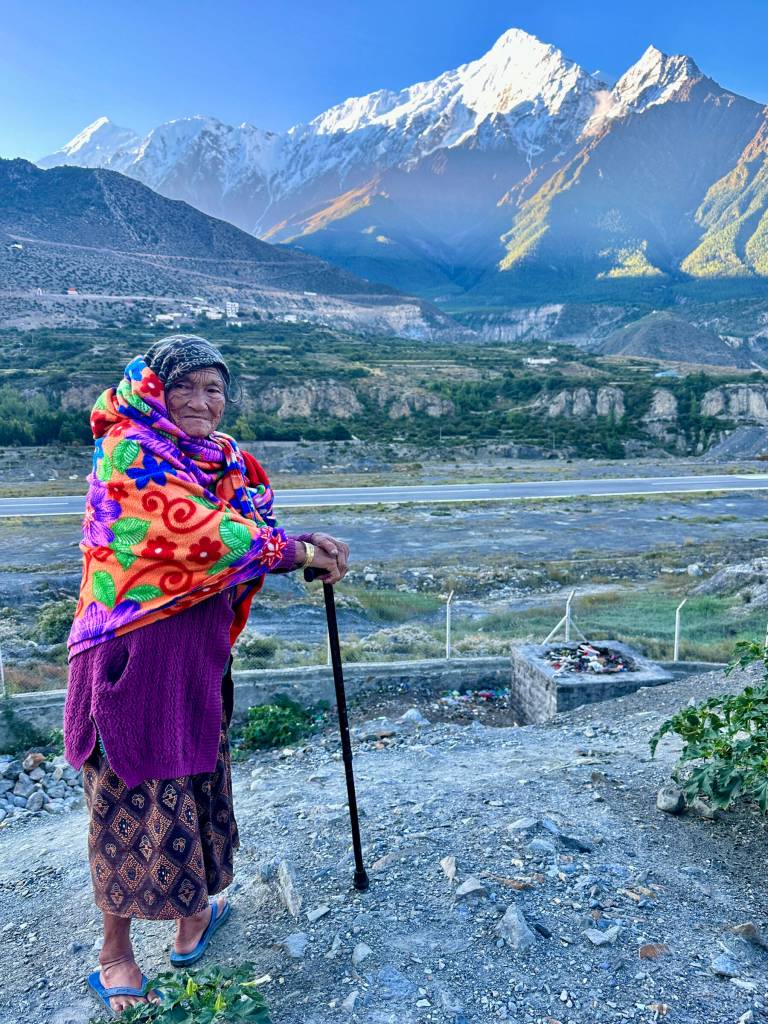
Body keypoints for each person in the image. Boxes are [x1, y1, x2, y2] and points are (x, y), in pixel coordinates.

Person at [63, 335, 349, 1016]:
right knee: (128, 796)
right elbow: (202, 538)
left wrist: (305, 545)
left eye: (213, 388)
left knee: (194, 784)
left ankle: (193, 920)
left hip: (195, 657)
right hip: (130, 658)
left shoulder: (222, 460)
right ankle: (115, 955)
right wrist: (293, 552)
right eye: (184, 387)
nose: (201, 401)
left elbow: (248, 533)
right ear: (153, 392)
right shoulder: (129, 450)